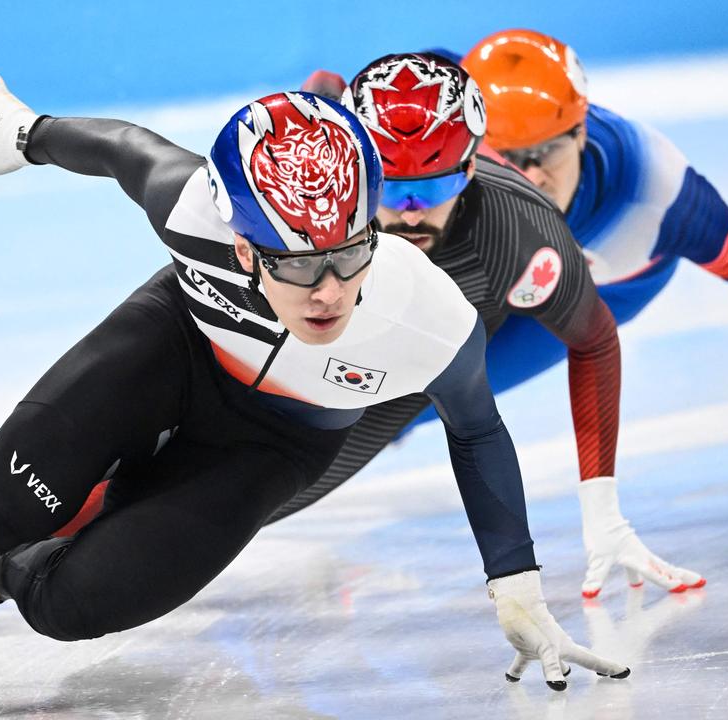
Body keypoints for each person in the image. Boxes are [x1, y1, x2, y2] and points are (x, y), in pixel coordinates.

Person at [0, 79, 629, 719]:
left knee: (73, 603)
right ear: (245, 244)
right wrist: (26, 135)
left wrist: (513, 583)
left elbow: (477, 431)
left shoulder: (427, 316)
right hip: (171, 348)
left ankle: (2, 574)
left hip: (271, 448)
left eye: (350, 255)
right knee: (0, 502)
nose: (332, 291)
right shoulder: (192, 207)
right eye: (300, 266)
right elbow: (128, 149)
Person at [276, 52, 705, 600]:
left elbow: (594, 339)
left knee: (266, 495)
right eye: (394, 189)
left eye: (431, 189)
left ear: (470, 169)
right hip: (339, 317)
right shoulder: (328, 182)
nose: (410, 213)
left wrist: (604, 515)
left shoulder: (518, 230)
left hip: (425, 342)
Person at [459, 29, 728, 513]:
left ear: (580, 132)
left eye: (547, 153)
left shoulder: (657, 193)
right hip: (506, 253)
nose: (531, 176)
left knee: (441, 392)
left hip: (612, 281)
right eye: (508, 158)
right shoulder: (451, 121)